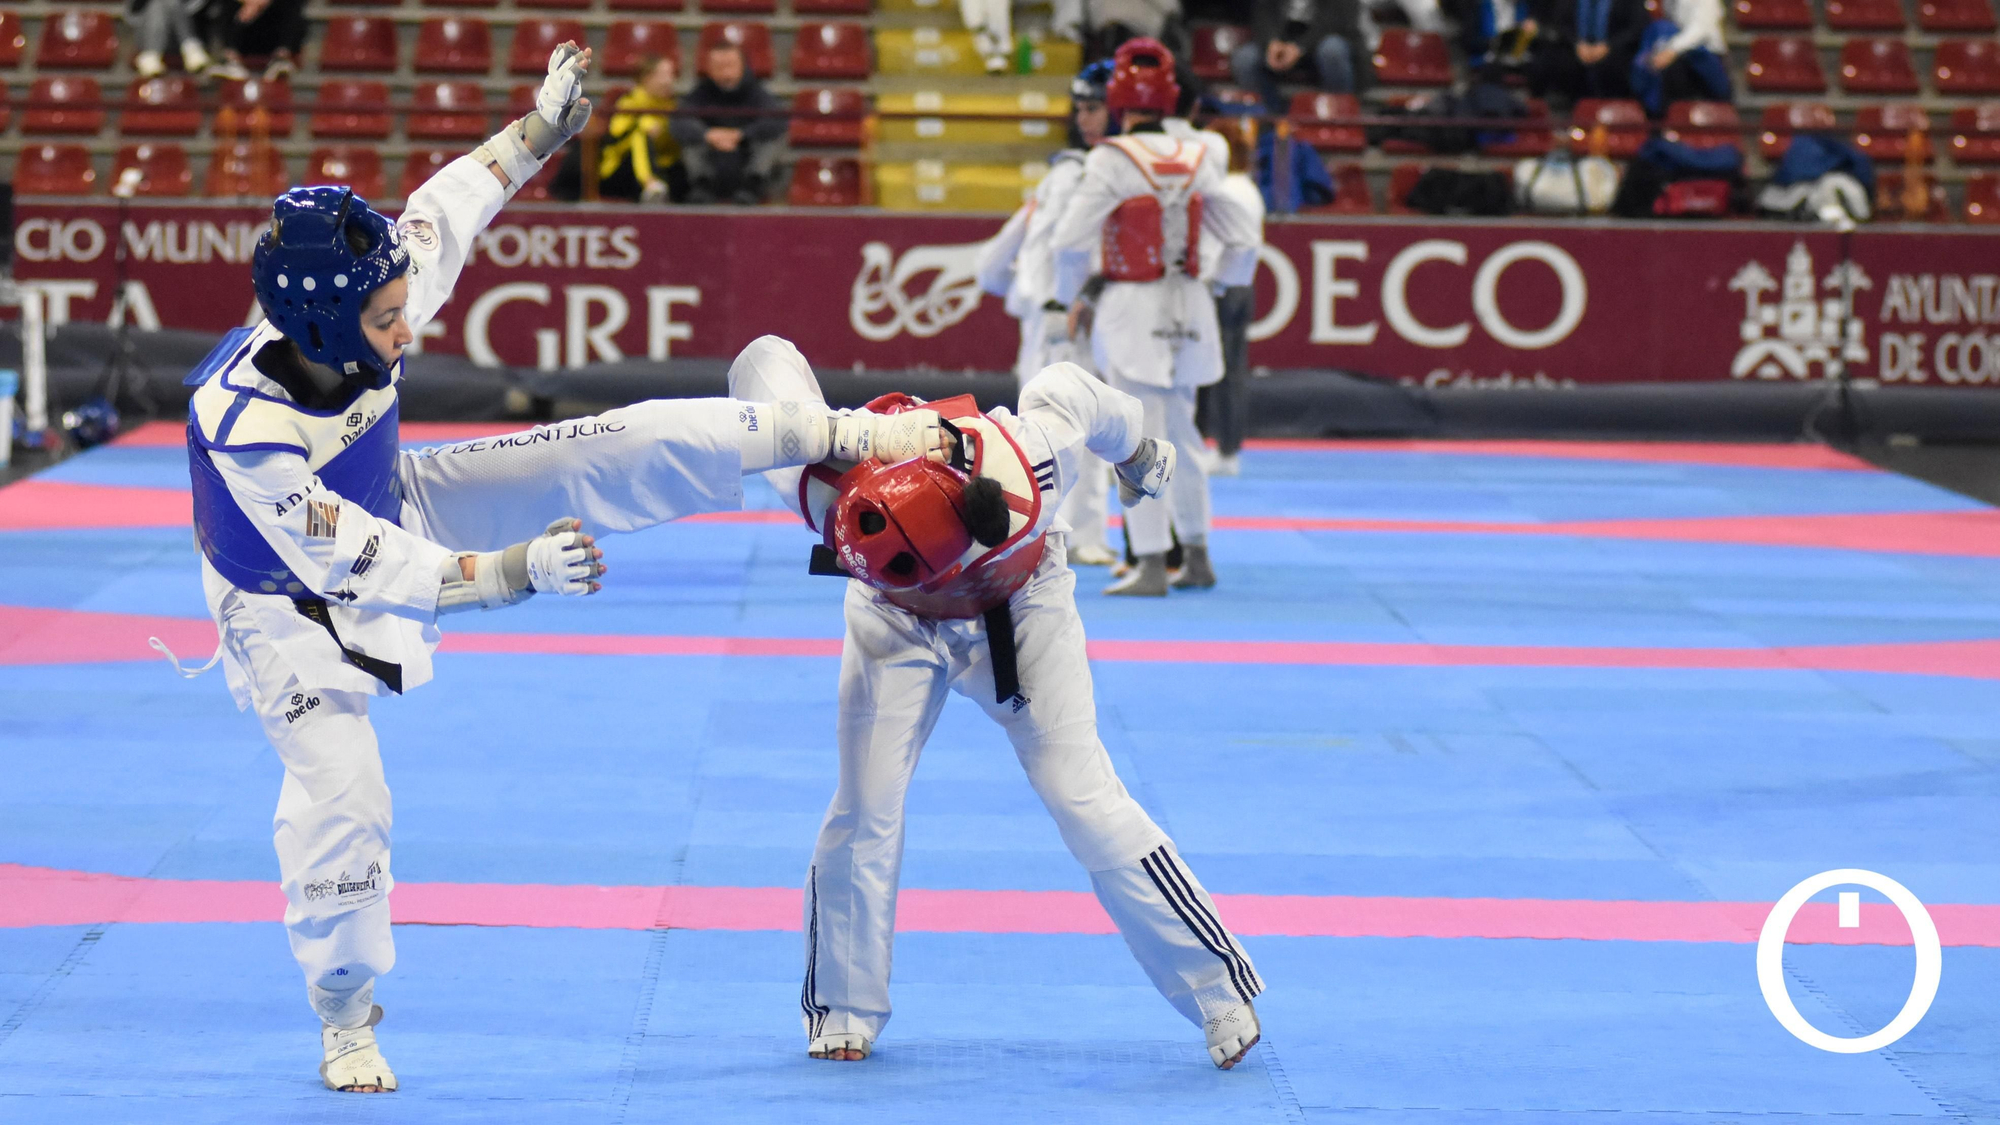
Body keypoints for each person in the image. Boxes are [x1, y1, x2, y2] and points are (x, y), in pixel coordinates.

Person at [164, 43, 949, 1093]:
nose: (408, 329)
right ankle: (344, 1013)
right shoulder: (242, 425)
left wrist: (537, 133)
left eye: (402, 307)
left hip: (397, 493)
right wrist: (512, 573)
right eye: (388, 322)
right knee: (347, 802)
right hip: (288, 600)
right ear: (317, 326)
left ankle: (841, 429)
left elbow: (447, 211)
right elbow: (372, 567)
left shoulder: (362, 291)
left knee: (613, 442)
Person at [725, 335, 1266, 1073]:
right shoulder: (822, 485)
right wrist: (820, 433)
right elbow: (763, 360)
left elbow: (1075, 390)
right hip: (893, 621)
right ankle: (843, 1005)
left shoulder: (1029, 458)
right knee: (863, 805)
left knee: (1085, 796)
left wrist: (1139, 450)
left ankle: (1218, 990)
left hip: (1024, 608)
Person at [1051, 39, 1261, 595]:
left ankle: (1148, 562)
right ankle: (1195, 553)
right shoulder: (1200, 157)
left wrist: (1067, 294)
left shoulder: (1112, 161)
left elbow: (1069, 241)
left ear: (1120, 101)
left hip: (1132, 305)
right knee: (1187, 434)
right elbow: (1242, 237)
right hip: (1191, 304)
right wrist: (1217, 280)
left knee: (1134, 437)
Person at [974, 59, 1118, 565]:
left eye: (1094, 108)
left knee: (1039, 429)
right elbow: (1064, 245)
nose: (1085, 118)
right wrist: (1064, 300)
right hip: (1066, 314)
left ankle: (1039, 534)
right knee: (1080, 424)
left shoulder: (1073, 172)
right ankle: (1082, 536)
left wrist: (1013, 288)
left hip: (1052, 312)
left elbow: (993, 262)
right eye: (1080, 109)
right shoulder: (1077, 174)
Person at [1198, 116, 1265, 478]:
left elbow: (1221, 243)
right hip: (1243, 284)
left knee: (1219, 371)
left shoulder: (1225, 190)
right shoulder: (1248, 188)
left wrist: (1210, 279)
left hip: (1224, 285)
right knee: (1232, 369)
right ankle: (1228, 448)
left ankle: (1224, 450)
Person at [669, 40, 785, 204]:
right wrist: (707, 134)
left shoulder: (756, 92)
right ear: (709, 68)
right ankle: (702, 187)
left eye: (729, 65)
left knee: (770, 140)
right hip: (712, 161)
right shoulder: (701, 92)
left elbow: (777, 119)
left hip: (746, 162)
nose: (724, 71)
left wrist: (741, 135)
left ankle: (753, 187)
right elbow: (679, 120)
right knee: (690, 139)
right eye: (718, 66)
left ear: (742, 66)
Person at [1232, 0, 1364, 114]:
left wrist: (1300, 47)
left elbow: (1338, 20)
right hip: (1283, 39)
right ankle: (1268, 118)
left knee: (1332, 50)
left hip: (1324, 38)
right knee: (1245, 58)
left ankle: (1340, 115)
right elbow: (1262, 12)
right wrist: (1271, 42)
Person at [599, 54, 687, 203]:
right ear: (647, 78)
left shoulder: (672, 107)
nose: (670, 81)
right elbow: (617, 134)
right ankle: (649, 183)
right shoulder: (629, 104)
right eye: (664, 75)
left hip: (662, 167)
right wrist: (643, 123)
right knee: (640, 133)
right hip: (620, 170)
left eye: (672, 75)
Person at [1525, 0, 1647, 103]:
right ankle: (1560, 114)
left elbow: (1636, 27)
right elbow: (1560, 23)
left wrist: (1608, 46)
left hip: (1615, 50)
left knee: (1617, 67)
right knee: (1552, 61)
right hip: (1575, 48)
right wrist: (1577, 44)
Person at [1630, 0, 1730, 116]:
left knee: (1671, 71)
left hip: (1707, 57)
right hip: (1680, 55)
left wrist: (1672, 50)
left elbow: (1701, 30)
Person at [209, 0, 306, 80]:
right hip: (244, 27)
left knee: (293, 5)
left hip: (273, 27)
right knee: (225, 5)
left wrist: (260, 3)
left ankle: (281, 59)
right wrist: (250, 3)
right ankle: (231, 61)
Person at [132, 0, 212, 77]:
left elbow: (200, 6)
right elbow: (132, 14)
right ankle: (191, 48)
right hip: (147, 32)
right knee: (157, 4)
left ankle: (151, 55)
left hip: (184, 30)